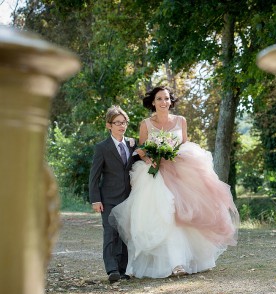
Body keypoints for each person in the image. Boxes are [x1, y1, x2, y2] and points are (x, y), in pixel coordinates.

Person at [109, 86, 239, 279]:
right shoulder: (146, 124)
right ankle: (174, 263)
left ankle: (187, 260)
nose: (163, 102)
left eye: (167, 98)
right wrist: (150, 159)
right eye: (159, 99)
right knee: (165, 213)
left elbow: (185, 144)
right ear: (153, 102)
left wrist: (174, 153)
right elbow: (142, 149)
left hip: (178, 172)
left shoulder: (181, 121)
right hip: (155, 174)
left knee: (183, 213)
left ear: (171, 101)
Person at [89, 105, 138, 283]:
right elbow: (94, 176)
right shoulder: (102, 147)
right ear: (109, 125)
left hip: (128, 198)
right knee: (110, 233)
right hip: (108, 198)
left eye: (124, 122)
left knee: (124, 233)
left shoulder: (132, 144)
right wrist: (95, 199)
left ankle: (122, 269)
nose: (121, 126)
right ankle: (111, 270)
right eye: (117, 123)